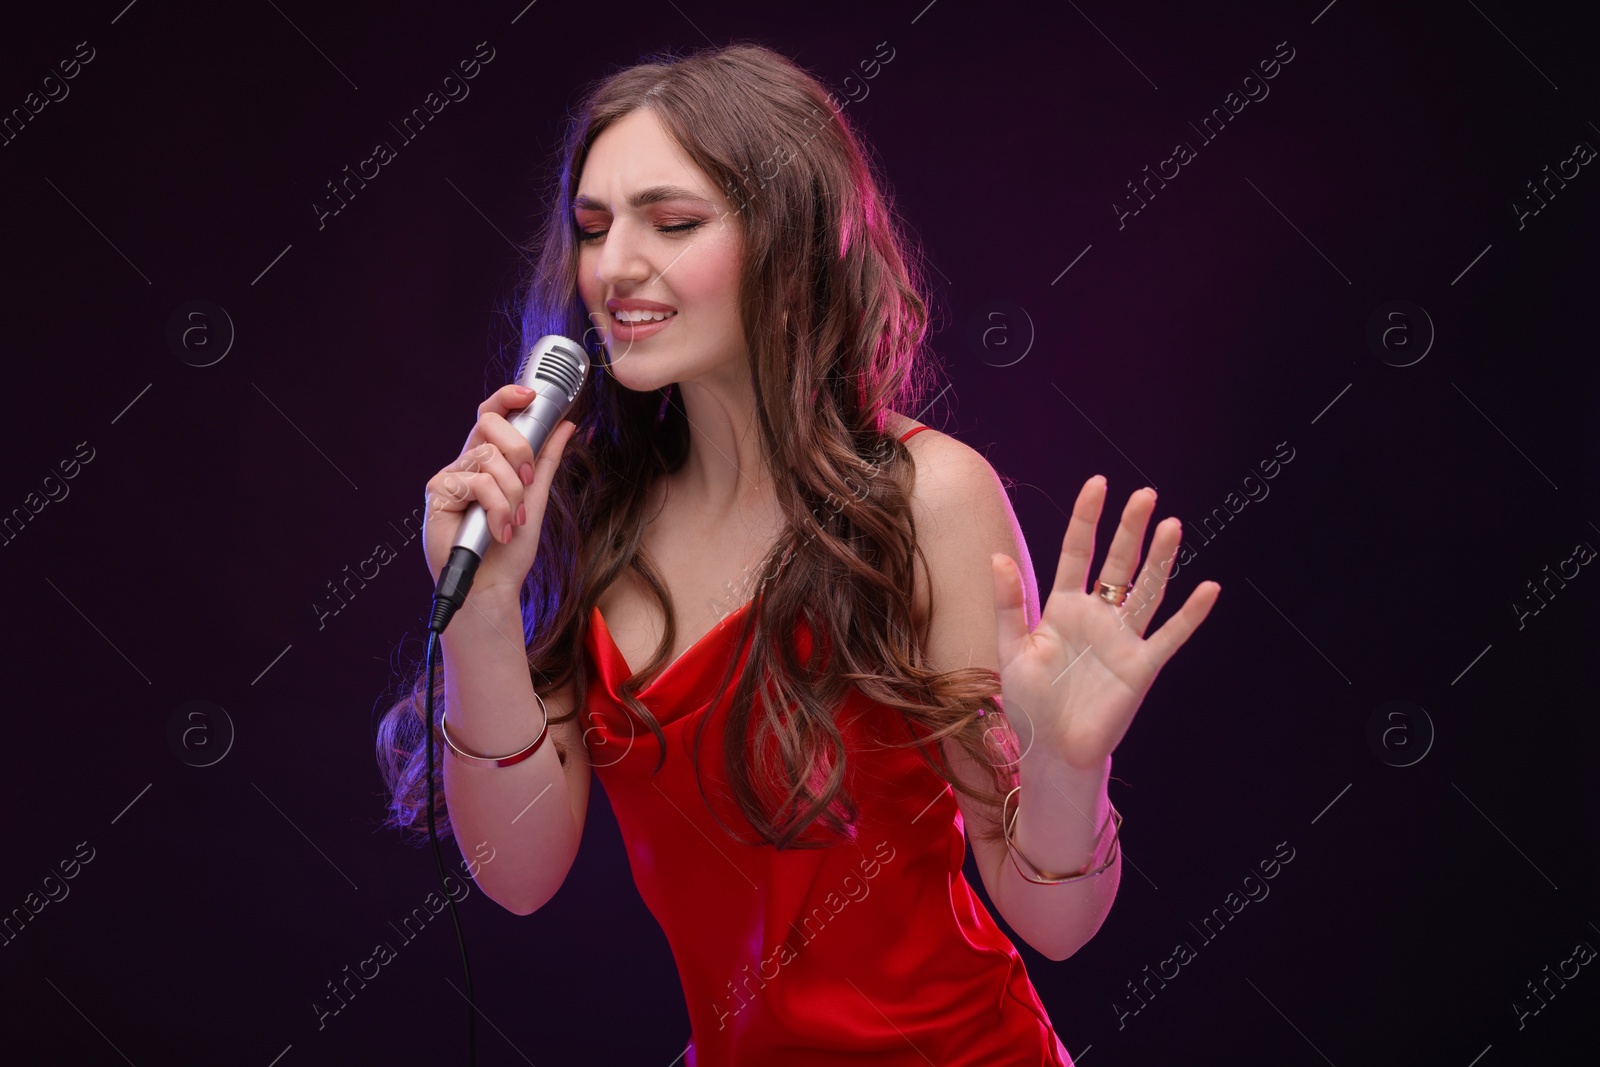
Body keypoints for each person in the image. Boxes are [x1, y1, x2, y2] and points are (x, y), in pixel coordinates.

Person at [376, 41, 1219, 1066]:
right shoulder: (581, 509)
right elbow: (515, 873)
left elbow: (1057, 922)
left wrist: (1067, 771)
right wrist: (478, 610)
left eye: (673, 222)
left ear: (791, 240)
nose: (613, 267)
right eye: (593, 228)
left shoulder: (926, 498)